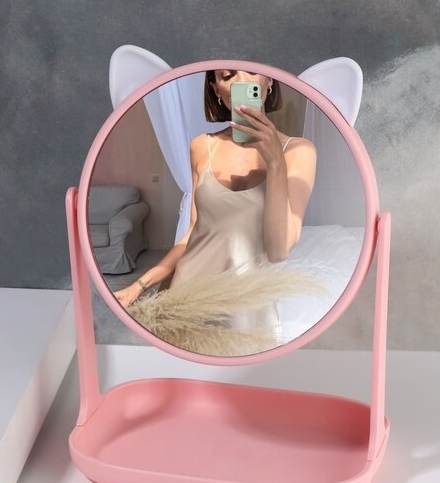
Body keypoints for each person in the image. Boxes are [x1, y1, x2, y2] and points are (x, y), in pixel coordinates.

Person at [114, 69, 317, 340]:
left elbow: (279, 251)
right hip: (188, 293)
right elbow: (193, 233)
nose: (241, 82)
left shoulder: (298, 151)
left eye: (253, 73)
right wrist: (140, 284)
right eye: (227, 76)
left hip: (247, 304)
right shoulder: (202, 146)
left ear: (269, 81)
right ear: (216, 89)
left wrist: (275, 162)